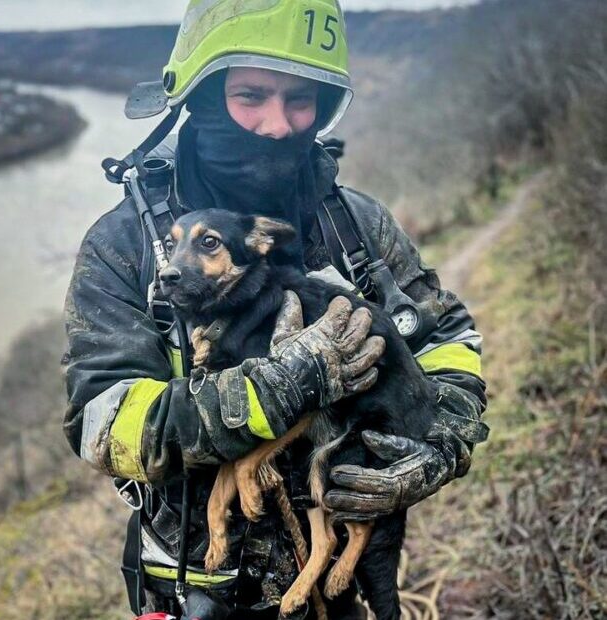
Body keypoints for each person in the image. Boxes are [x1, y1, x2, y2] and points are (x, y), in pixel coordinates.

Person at [62, 1, 488, 618]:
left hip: (336, 574)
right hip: (202, 585)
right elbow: (104, 426)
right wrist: (274, 389)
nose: (277, 124)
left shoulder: (355, 227)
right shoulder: (128, 246)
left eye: (300, 100)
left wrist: (443, 437)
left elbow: (447, 337)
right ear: (202, 98)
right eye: (251, 95)